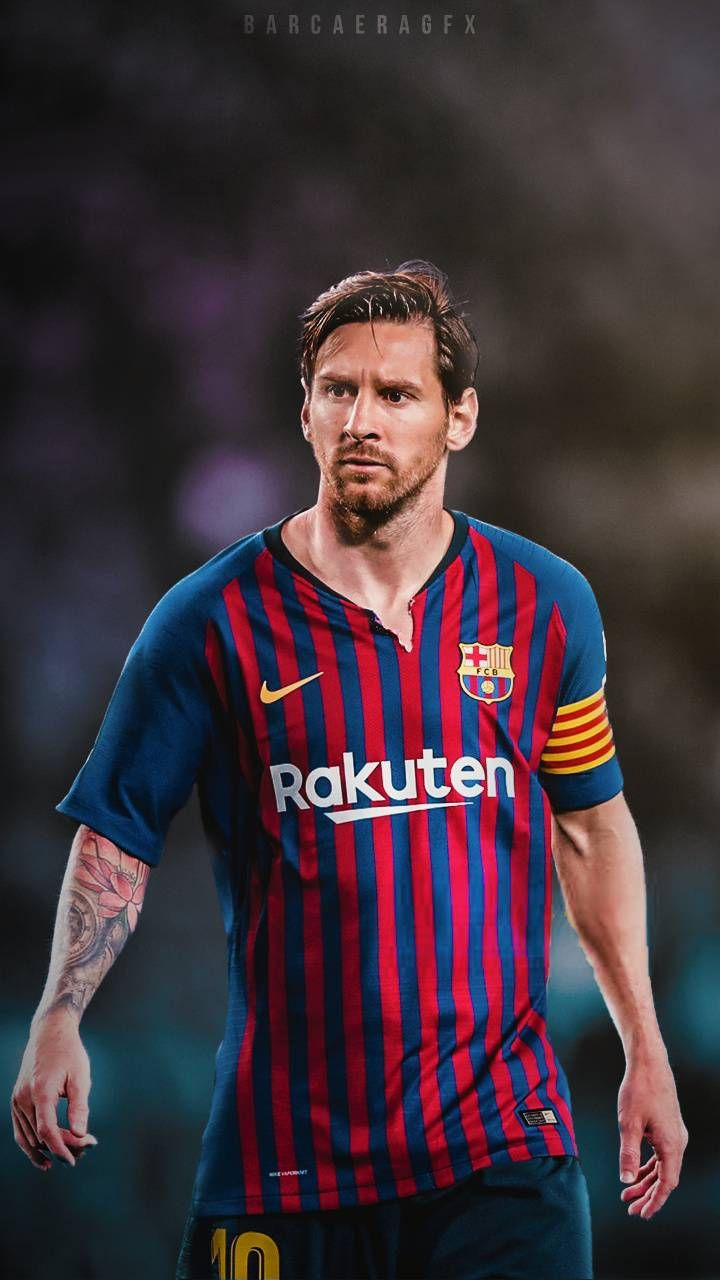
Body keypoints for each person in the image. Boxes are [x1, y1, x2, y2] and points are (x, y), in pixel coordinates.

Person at [11, 261, 687, 1280]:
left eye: (397, 394)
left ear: (459, 418)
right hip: (282, 1168)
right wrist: (59, 1014)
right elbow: (117, 832)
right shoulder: (207, 619)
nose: (362, 419)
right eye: (339, 389)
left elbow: (590, 827)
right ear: (306, 411)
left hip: (503, 1158)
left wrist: (645, 1046)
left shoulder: (545, 603)